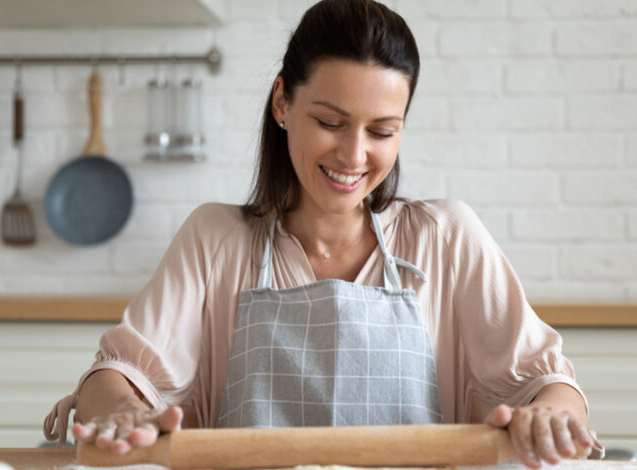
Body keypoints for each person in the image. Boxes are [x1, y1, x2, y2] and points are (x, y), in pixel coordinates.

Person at [44, 1, 604, 468]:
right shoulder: (215, 239)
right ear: (283, 102)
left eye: (382, 131)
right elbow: (116, 378)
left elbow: (548, 384)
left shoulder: (445, 237)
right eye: (331, 123)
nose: (354, 155)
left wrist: (551, 416)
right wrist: (121, 412)